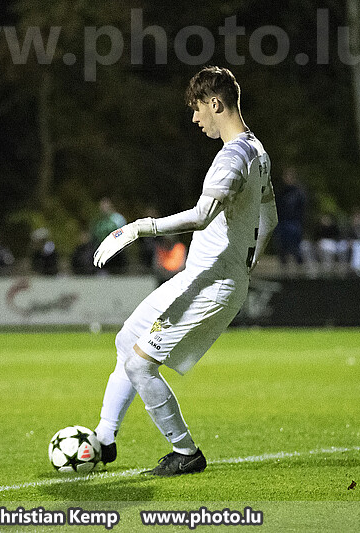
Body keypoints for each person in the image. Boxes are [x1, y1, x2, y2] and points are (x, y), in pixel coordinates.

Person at [91, 66, 277, 476]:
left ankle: (185, 452)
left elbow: (202, 215)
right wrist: (251, 258)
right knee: (127, 341)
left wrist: (141, 227)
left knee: (140, 364)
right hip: (201, 277)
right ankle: (103, 440)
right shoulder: (257, 152)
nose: (195, 118)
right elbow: (270, 215)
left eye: (197, 108)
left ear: (216, 104)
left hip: (211, 284)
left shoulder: (233, 157)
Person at [273, 167, 306, 265]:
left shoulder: (298, 193)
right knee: (282, 248)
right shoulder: (281, 192)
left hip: (295, 223)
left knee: (296, 248)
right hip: (282, 222)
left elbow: (302, 209)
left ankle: (299, 265)